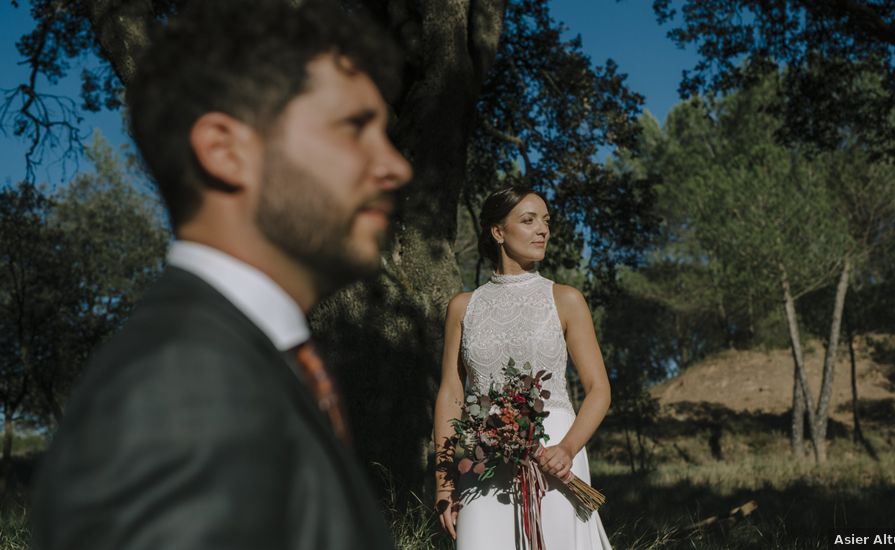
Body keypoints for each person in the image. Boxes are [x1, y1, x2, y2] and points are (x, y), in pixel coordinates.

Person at [31, 1, 412, 549]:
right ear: (225, 151)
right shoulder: (180, 394)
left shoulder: (252, 366)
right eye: (355, 127)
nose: (398, 166)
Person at [434, 186, 612, 549]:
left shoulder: (565, 299)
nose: (543, 230)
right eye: (528, 220)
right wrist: (445, 481)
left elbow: (599, 389)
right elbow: (452, 393)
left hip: (555, 454)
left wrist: (568, 449)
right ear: (498, 232)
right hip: (481, 459)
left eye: (545, 221)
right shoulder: (462, 307)